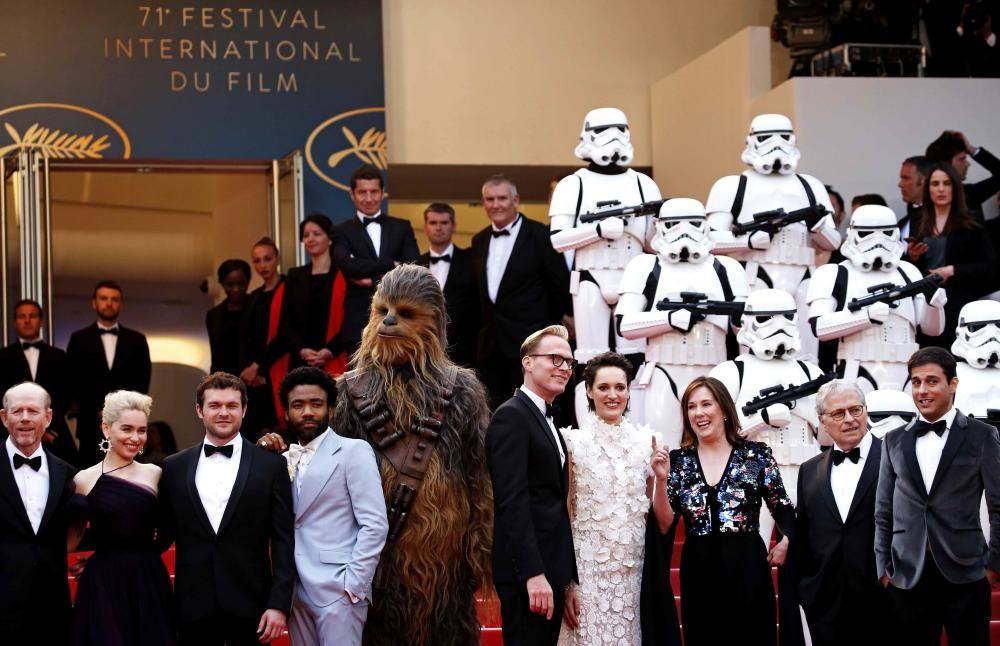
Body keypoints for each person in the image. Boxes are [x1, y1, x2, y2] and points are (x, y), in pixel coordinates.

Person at [318, 264, 492, 645]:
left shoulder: (463, 390)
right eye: (382, 311)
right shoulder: (349, 391)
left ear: (435, 322)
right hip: (377, 557)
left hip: (447, 558)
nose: (389, 322)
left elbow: (479, 478)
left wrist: (480, 550)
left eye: (406, 314)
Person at [875, 347, 1000, 646]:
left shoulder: (982, 436)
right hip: (906, 577)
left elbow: (998, 506)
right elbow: (883, 511)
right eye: (916, 382)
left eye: (932, 381)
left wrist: (993, 567)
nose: (922, 390)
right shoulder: (893, 440)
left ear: (953, 384)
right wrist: (884, 569)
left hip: (968, 573)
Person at [157, 373, 294, 645]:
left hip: (252, 605)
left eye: (231, 406)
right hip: (192, 606)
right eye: (214, 405)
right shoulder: (174, 467)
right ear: (199, 410)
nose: (223, 413)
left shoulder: (271, 465)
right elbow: (163, 534)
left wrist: (279, 603)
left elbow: (284, 540)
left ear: (244, 409)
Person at [662, 376, 794, 646]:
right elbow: (665, 524)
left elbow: (782, 507)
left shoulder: (755, 456)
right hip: (698, 574)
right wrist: (659, 480)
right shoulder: (679, 462)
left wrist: (787, 540)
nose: (699, 413)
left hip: (748, 570)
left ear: (723, 409)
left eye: (706, 404)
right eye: (691, 406)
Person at [557, 352, 678, 646]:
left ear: (628, 391)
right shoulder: (572, 444)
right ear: (588, 391)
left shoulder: (648, 443)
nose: (613, 395)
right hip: (586, 577)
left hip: (634, 578)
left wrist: (662, 480)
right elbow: (564, 515)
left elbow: (664, 522)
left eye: (620, 387)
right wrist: (565, 584)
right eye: (603, 387)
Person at [548, 108, 662, 421]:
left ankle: (636, 430)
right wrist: (597, 229)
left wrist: (633, 228)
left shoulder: (643, 185)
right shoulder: (574, 185)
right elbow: (558, 240)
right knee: (589, 360)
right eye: (603, 131)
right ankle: (588, 435)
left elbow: (657, 242)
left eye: (619, 130)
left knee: (636, 360)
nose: (612, 139)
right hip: (590, 276)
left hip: (634, 277)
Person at [706, 114, 841, 362]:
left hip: (804, 276)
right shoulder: (733, 186)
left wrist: (818, 225)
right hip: (755, 274)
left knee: (806, 355)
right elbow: (708, 241)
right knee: (754, 352)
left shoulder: (810, 186)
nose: (775, 144)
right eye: (767, 138)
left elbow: (834, 243)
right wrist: (747, 241)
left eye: (783, 137)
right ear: (752, 140)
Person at [616, 198, 748, 436]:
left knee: (716, 444)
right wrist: (669, 320)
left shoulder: (727, 268)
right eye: (674, 223)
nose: (683, 231)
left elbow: (749, 330)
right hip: (663, 371)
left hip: (714, 370)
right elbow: (624, 324)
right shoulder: (645, 266)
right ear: (660, 226)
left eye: (693, 224)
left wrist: (740, 320)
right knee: (661, 445)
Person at [276, 367, 387, 646]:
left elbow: (374, 524)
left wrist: (353, 586)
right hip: (295, 592)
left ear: (331, 409)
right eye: (298, 405)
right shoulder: (281, 460)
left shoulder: (354, 452)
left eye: (316, 404)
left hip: (338, 589)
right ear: (286, 412)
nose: (308, 412)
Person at [487, 325, 578, 646]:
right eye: (555, 359)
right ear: (527, 362)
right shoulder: (511, 417)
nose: (565, 368)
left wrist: (566, 581)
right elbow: (512, 502)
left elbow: (553, 504)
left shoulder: (546, 418)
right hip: (529, 575)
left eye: (569, 362)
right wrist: (532, 574)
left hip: (550, 571)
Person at [69, 390, 175, 645]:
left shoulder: (156, 474)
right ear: (106, 428)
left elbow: (169, 529)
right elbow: (72, 540)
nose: (135, 438)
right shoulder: (84, 479)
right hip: (103, 582)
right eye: (127, 429)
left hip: (148, 579)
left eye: (142, 430)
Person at [809, 204, 947, 392]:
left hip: (906, 371)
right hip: (856, 371)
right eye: (867, 234)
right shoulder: (835, 273)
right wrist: (865, 317)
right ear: (853, 234)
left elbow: (932, 330)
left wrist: (935, 305)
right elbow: (820, 328)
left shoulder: (908, 272)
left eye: (886, 233)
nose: (878, 241)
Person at [795, 380, 889, 646]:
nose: (849, 419)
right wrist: (808, 589)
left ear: (866, 411)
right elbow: (806, 535)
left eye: (855, 410)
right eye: (838, 413)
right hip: (825, 602)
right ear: (823, 422)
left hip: (883, 599)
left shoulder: (896, 457)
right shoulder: (808, 470)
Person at [471, 175, 573, 410]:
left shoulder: (541, 236)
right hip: (490, 346)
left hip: (530, 344)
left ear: (515, 200)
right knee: (491, 410)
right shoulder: (479, 240)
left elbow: (559, 286)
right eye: (489, 199)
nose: (495, 204)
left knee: (530, 409)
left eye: (502, 198)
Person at [0, 382, 77, 643]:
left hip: (52, 609)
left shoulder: (67, 473)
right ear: (3, 417)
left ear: (48, 417)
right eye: (16, 411)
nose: (24, 418)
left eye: (32, 411)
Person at [245, 215, 349, 389]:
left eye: (317, 233)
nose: (311, 239)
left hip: (336, 358)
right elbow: (286, 324)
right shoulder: (295, 276)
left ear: (329, 239)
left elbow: (351, 321)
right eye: (306, 235)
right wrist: (302, 350)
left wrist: (328, 351)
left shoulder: (344, 274)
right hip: (300, 361)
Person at [332, 164, 420, 356]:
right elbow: (348, 266)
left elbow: (413, 267)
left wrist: (372, 280)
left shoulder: (401, 227)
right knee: (358, 384)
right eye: (362, 192)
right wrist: (391, 264)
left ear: (382, 193)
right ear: (352, 194)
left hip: (400, 323)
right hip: (358, 325)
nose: (369, 198)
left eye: (374, 192)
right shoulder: (341, 231)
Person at [906, 162, 995, 350]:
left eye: (946, 183)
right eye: (935, 184)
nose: (941, 189)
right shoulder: (919, 219)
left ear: (955, 187)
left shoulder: (971, 220)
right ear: (927, 188)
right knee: (926, 353)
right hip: (926, 300)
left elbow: (989, 265)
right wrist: (912, 256)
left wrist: (952, 270)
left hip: (958, 299)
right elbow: (911, 268)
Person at [67, 280, 152, 466]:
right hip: (90, 424)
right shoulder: (79, 339)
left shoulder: (137, 340)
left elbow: (142, 383)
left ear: (120, 303)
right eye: (104, 298)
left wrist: (119, 412)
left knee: (128, 478)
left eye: (114, 299)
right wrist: (101, 412)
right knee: (89, 481)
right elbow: (73, 382)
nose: (109, 303)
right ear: (94, 302)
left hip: (128, 423)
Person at [0, 299, 77, 465]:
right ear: (15, 322)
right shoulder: (2, 357)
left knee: (69, 478)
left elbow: (66, 395)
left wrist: (46, 428)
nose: (27, 320)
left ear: (41, 321)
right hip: (11, 434)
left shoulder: (59, 356)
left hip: (54, 433)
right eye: (22, 316)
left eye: (32, 316)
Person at [417, 202, 479, 367]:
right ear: (426, 227)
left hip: (465, 350)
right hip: (423, 350)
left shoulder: (472, 260)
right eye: (433, 223)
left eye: (444, 222)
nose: (439, 227)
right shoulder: (415, 264)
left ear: (453, 226)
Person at [238, 237, 285, 440]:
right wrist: (250, 369)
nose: (263, 265)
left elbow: (285, 334)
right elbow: (246, 337)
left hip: (277, 367)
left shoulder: (288, 288)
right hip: (254, 377)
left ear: (277, 259)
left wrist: (259, 366)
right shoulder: (254, 297)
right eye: (257, 261)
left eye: (267, 259)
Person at [925, 130, 1000, 214]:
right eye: (962, 159)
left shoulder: (969, 194)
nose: (968, 164)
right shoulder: (925, 200)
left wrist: (972, 150)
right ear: (946, 165)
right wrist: (971, 150)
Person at [205, 259, 250, 375]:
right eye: (230, 285)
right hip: (224, 381)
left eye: (241, 284)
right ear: (222, 283)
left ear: (248, 282)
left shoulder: (259, 309)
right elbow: (215, 355)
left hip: (253, 380)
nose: (236, 289)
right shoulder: (213, 315)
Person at [897, 155, 929, 239]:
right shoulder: (901, 225)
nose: (900, 184)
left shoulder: (943, 222)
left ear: (923, 181)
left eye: (906, 178)